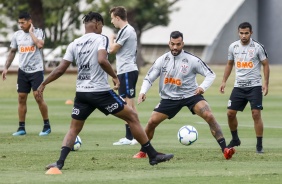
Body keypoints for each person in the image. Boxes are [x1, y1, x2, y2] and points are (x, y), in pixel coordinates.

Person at [37, 12, 174, 170]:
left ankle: (59, 162)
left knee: (73, 128)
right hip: (100, 92)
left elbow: (60, 69)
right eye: (101, 25)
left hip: (82, 93)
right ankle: (152, 155)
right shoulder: (101, 38)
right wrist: (114, 76)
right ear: (96, 24)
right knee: (132, 116)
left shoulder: (74, 43)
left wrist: (43, 84)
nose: (102, 28)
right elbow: (102, 60)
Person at [133, 31, 235, 160]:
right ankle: (143, 151)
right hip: (169, 98)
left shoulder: (192, 60)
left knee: (209, 115)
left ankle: (225, 149)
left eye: (178, 44)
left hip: (190, 95)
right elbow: (149, 78)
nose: (175, 47)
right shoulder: (162, 60)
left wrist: (202, 87)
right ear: (169, 43)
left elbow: (210, 74)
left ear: (183, 44)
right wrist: (143, 92)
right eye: (172, 44)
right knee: (152, 122)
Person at [219, 22, 270, 153]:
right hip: (239, 86)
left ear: (251, 33)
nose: (244, 36)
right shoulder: (233, 47)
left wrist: (266, 83)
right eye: (241, 33)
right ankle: (235, 139)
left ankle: (259, 145)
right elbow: (229, 64)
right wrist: (224, 81)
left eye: (246, 33)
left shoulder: (258, 47)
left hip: (254, 86)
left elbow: (265, 64)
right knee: (230, 113)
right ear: (238, 33)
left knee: (256, 113)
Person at [1, 12, 51, 136]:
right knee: (21, 98)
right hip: (23, 71)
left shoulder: (39, 32)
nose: (20, 25)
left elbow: (39, 45)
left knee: (38, 96)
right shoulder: (17, 35)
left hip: (36, 71)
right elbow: (12, 51)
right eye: (19, 23)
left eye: (23, 22)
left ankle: (46, 126)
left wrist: (31, 33)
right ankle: (21, 128)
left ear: (30, 21)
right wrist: (6, 67)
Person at [109, 6, 139, 146]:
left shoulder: (126, 30)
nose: (111, 21)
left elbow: (112, 50)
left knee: (128, 104)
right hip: (125, 71)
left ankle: (131, 137)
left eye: (112, 18)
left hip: (127, 70)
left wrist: (111, 39)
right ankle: (132, 136)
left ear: (117, 18)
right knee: (128, 103)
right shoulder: (125, 31)